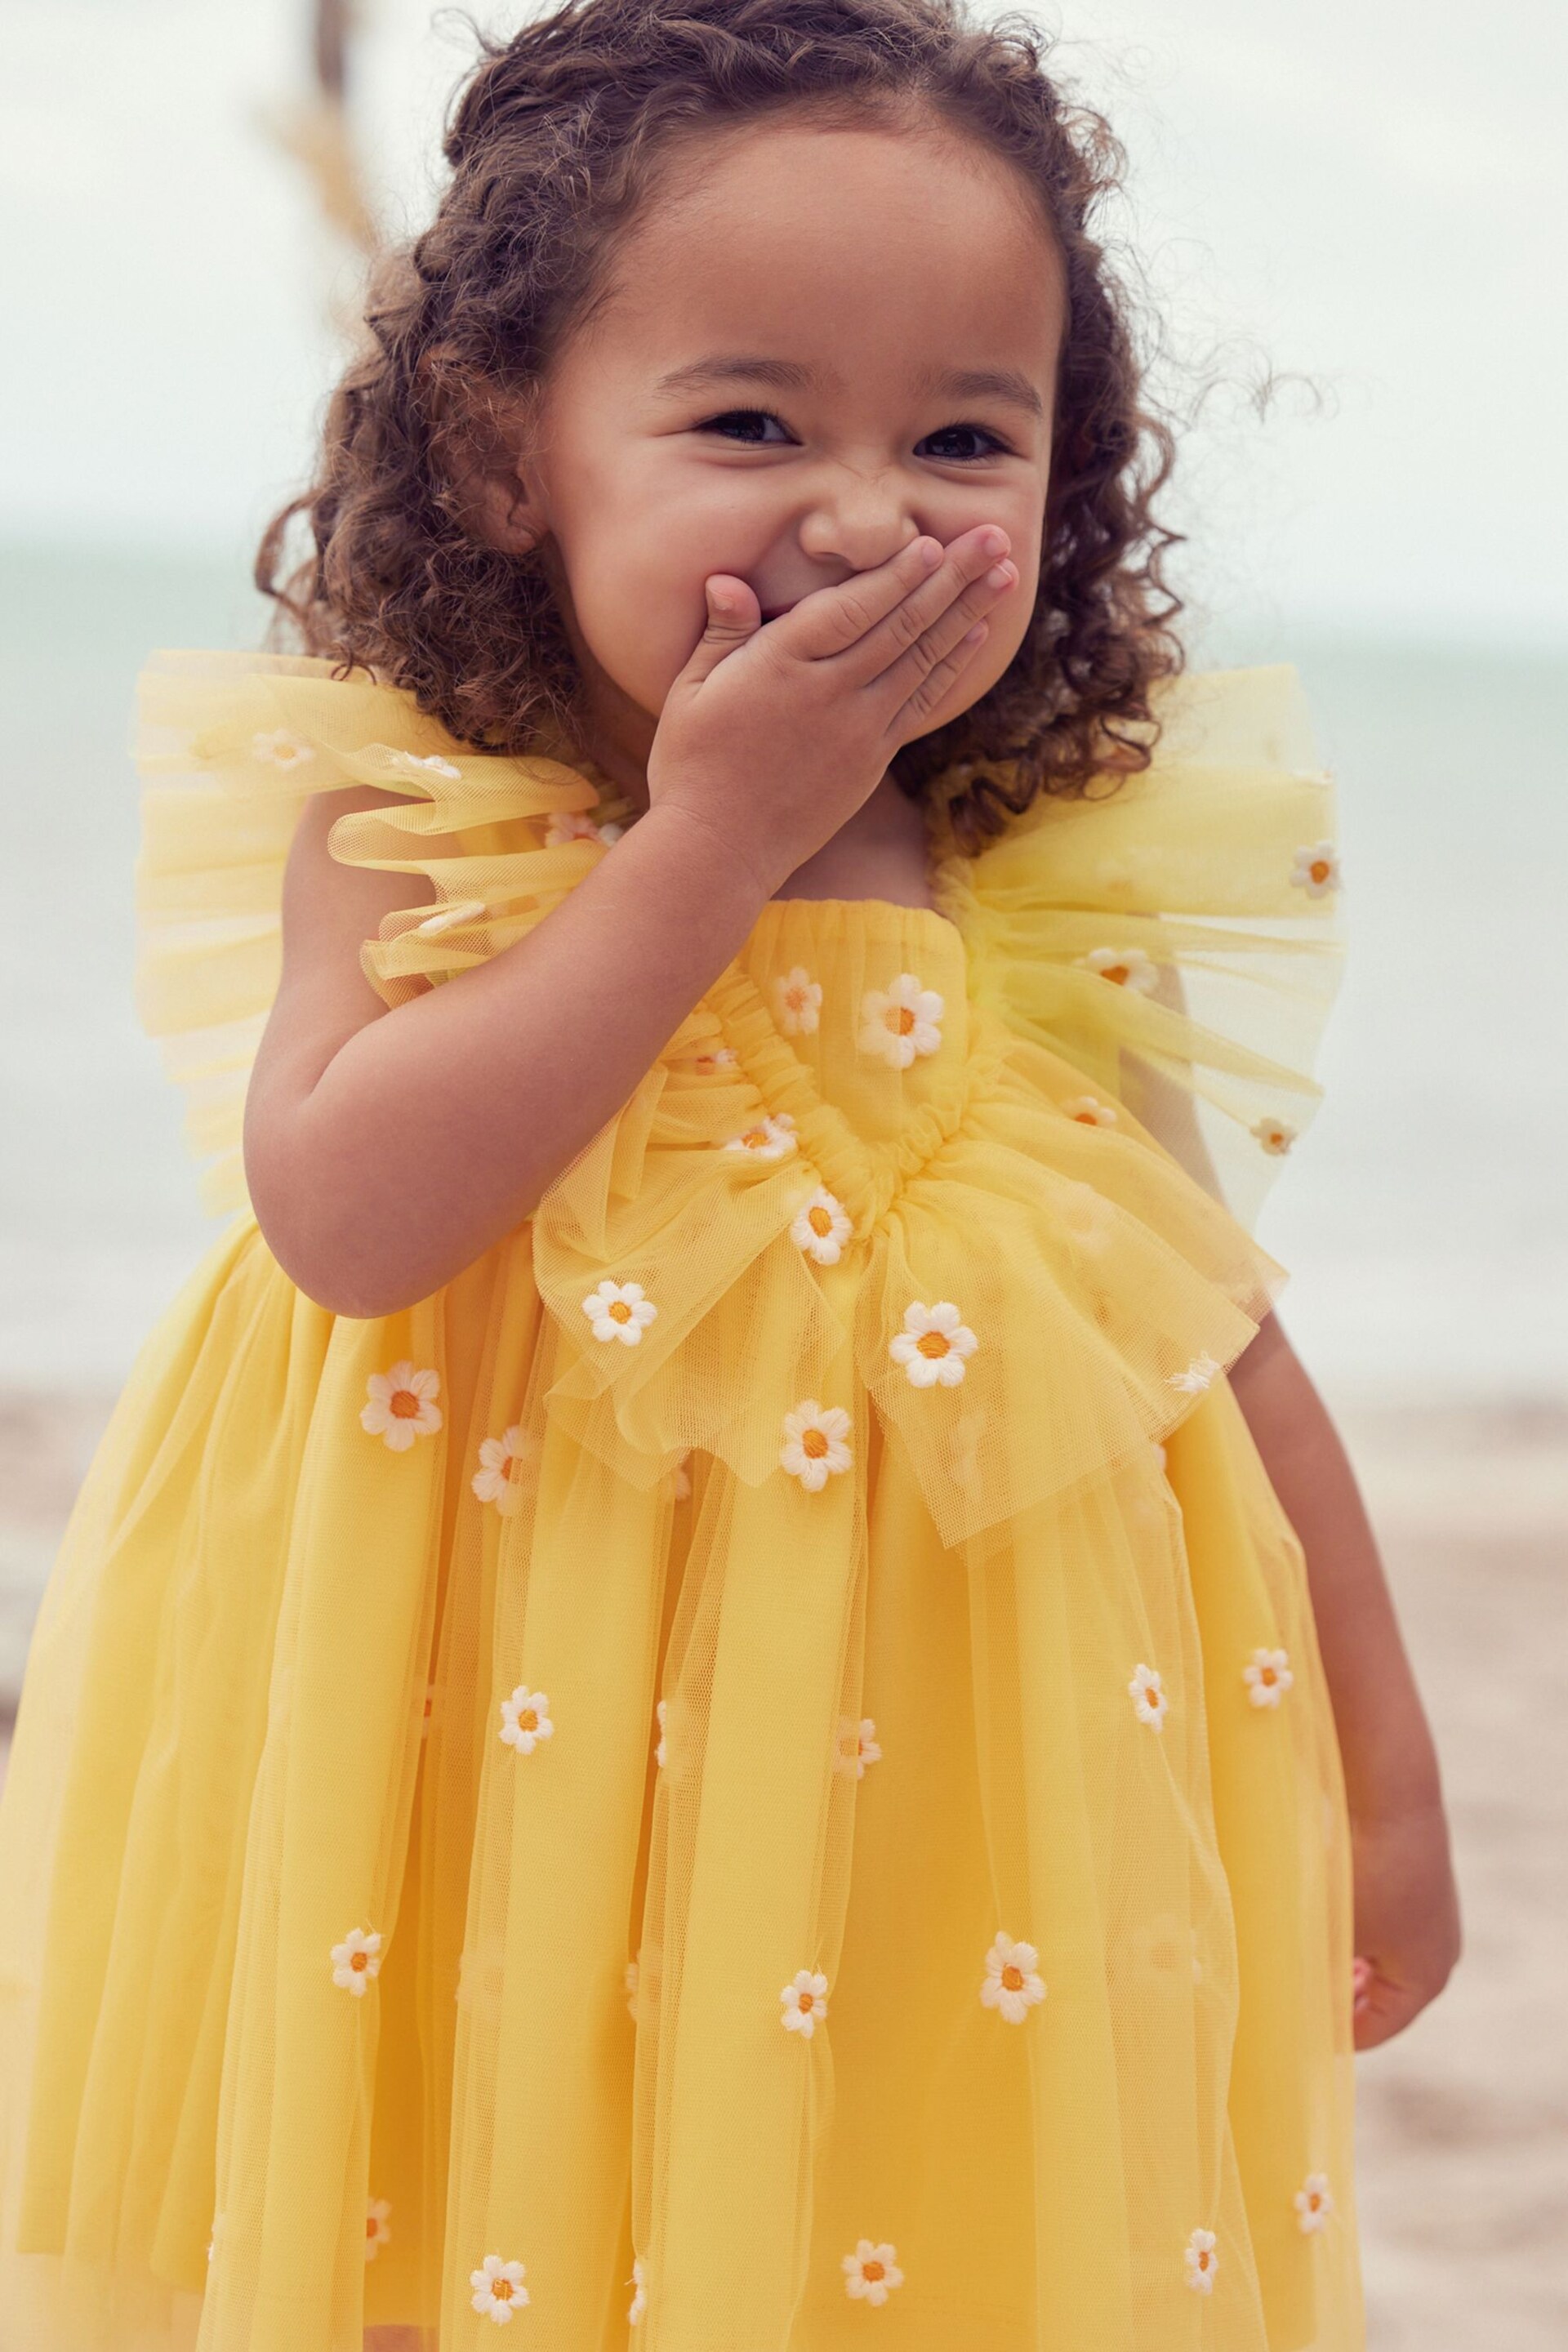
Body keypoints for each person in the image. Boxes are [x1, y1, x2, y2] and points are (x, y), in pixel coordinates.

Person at [0, 0, 1461, 2345]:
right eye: (752, 422)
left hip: (916, 1760)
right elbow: (353, 1215)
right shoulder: (424, 828)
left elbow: (1213, 1336)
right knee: (472, 2218)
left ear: (1061, 486)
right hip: (481, 1725)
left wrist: (1389, 1784)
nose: (870, 511)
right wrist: (710, 844)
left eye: (964, 438)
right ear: (506, 455)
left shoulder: (1031, 873)